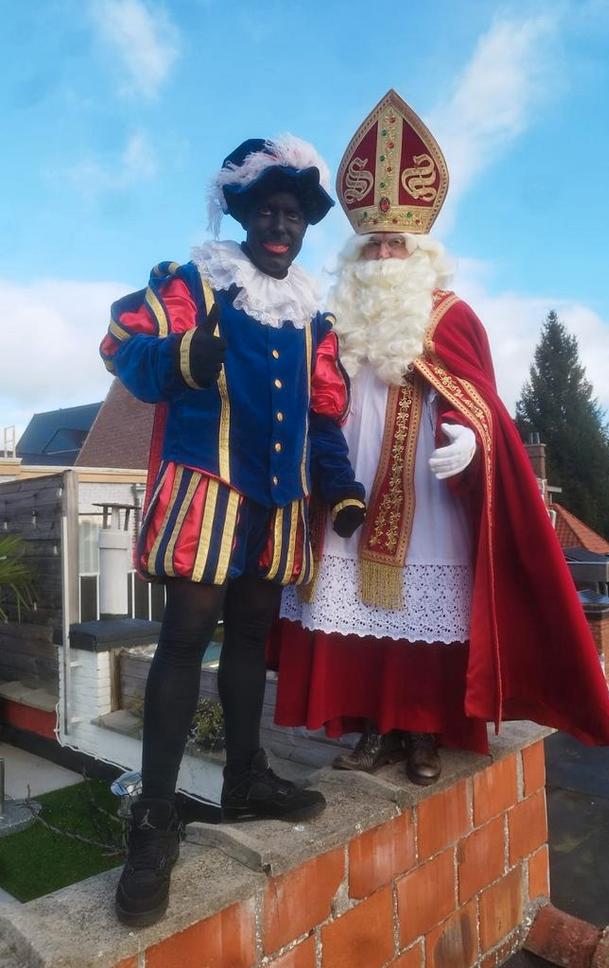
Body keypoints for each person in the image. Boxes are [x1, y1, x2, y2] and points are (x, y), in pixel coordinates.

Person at [271, 90, 609, 787]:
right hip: (350, 487)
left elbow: (483, 400)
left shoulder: (454, 315)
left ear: (422, 251)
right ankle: (370, 725)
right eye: (373, 243)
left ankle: (424, 732)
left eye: (396, 242)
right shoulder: (331, 317)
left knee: (421, 616)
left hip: (429, 491)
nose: (384, 252)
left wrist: (473, 441)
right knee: (356, 612)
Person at [100, 135, 365, 927]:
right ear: (244, 214)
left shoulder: (311, 315)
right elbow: (121, 344)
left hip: (278, 500)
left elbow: (323, 416)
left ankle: (245, 779)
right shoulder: (196, 283)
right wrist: (182, 355)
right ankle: (152, 821)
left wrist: (343, 488)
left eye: (294, 214)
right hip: (208, 484)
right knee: (185, 639)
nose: (281, 225)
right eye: (268, 211)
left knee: (252, 636)